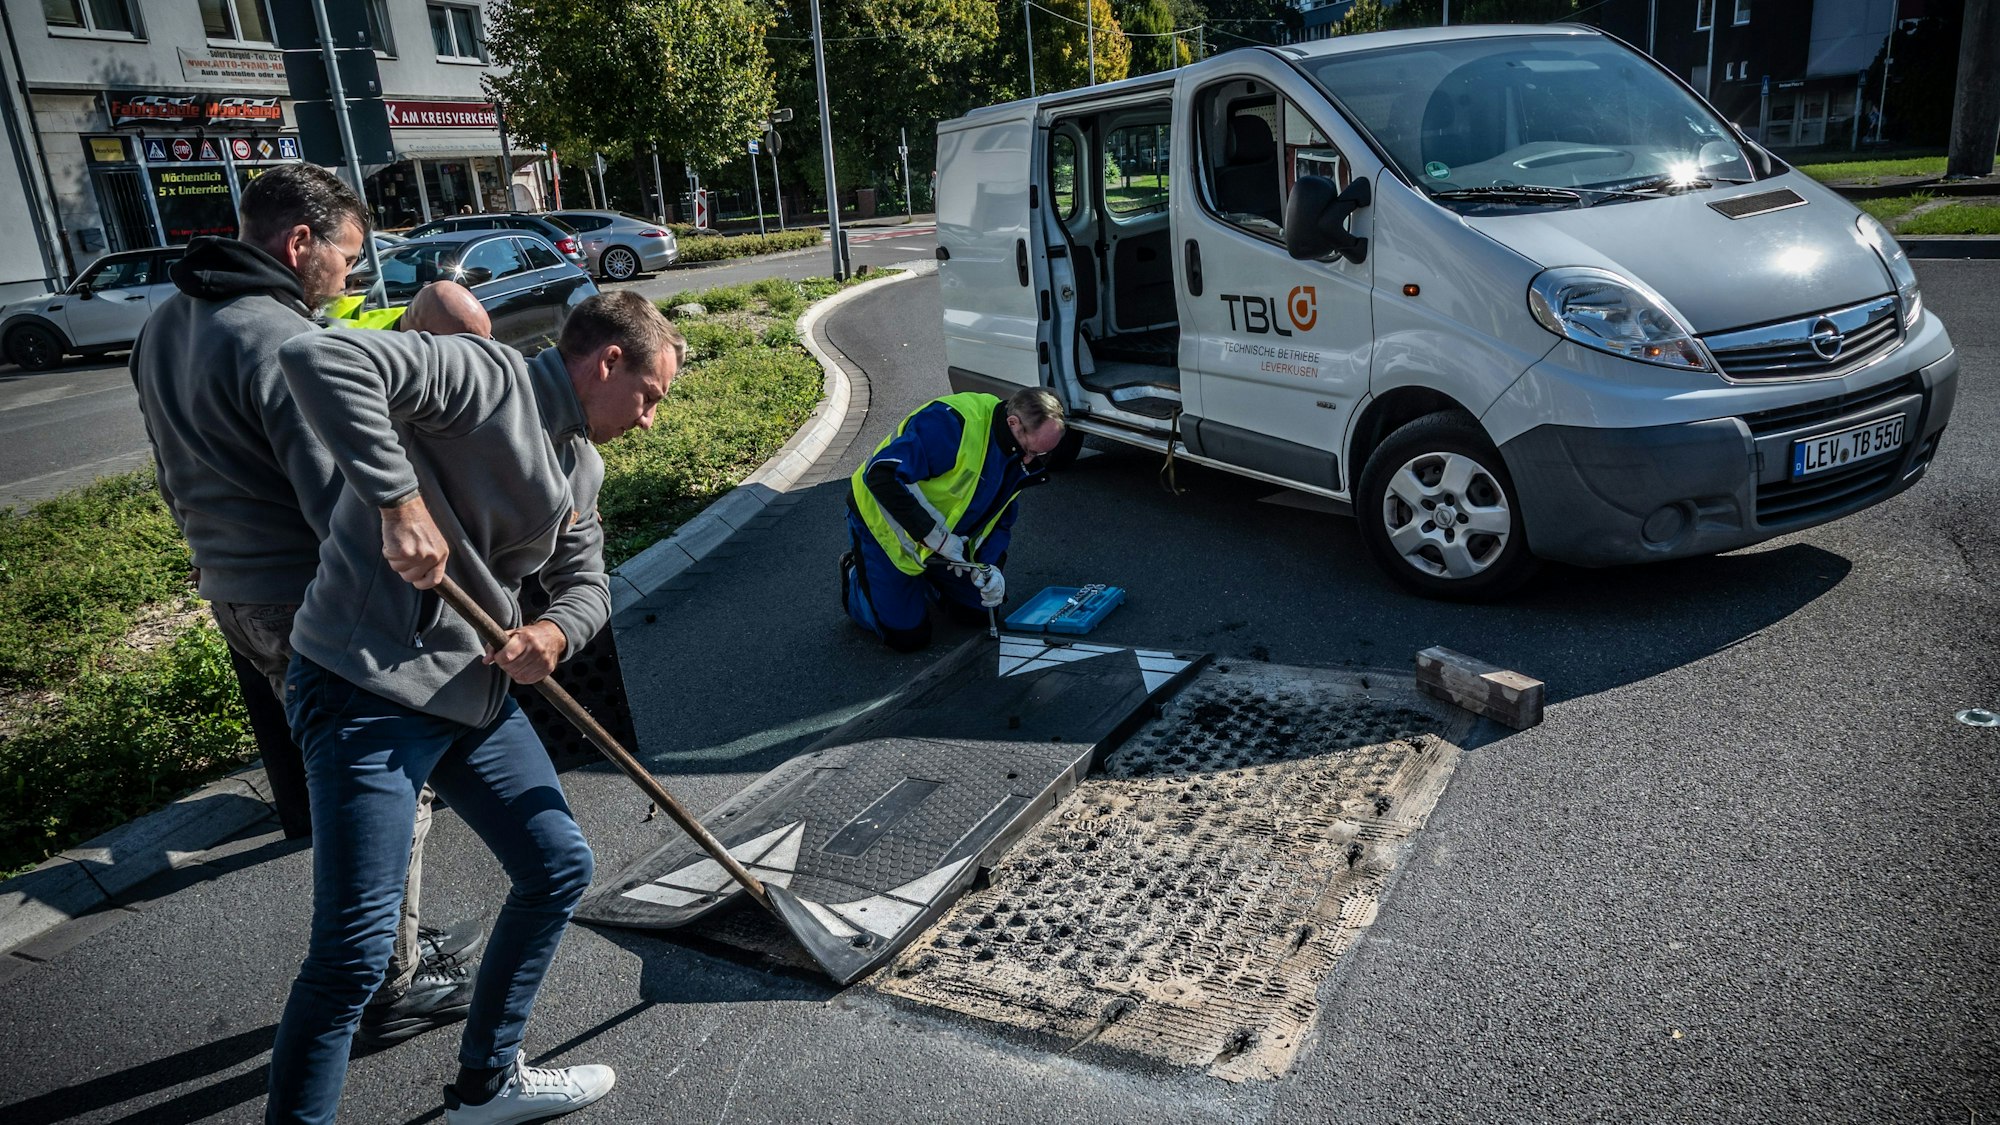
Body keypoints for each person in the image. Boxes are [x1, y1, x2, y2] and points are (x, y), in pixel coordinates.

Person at [267, 289, 683, 1124]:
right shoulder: (481, 375)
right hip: (364, 689)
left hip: (469, 694)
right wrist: (400, 502)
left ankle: (488, 1083)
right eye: (649, 396)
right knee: (352, 956)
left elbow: (586, 582)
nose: (647, 422)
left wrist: (555, 636)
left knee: (558, 864)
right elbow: (320, 358)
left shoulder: (580, 465)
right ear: (607, 362)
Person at [127, 162, 484, 1047]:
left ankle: (383, 949)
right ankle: (390, 978)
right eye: (348, 258)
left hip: (232, 594)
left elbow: (175, 471)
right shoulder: (282, 346)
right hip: (307, 600)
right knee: (391, 785)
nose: (352, 278)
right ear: (298, 243)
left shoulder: (167, 321)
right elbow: (351, 510)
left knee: (340, 785)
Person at [842, 387, 1067, 651]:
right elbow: (880, 475)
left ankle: (929, 577)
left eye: (1040, 455)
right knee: (906, 638)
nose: (1030, 460)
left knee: (978, 612)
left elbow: (999, 519)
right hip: (882, 526)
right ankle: (855, 574)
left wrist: (990, 568)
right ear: (1013, 422)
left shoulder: (1018, 453)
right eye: (1030, 450)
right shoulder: (951, 423)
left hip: (943, 540)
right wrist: (934, 538)